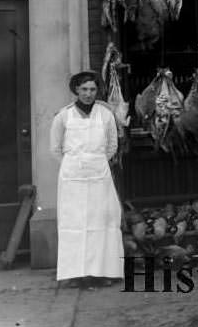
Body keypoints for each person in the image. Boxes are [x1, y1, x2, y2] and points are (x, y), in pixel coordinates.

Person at [49, 71, 124, 288]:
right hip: (72, 179)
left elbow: (112, 145)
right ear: (76, 91)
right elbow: (55, 148)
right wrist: (74, 164)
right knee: (74, 223)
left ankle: (103, 272)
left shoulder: (105, 115)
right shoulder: (63, 116)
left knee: (102, 222)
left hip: (99, 176)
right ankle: (76, 273)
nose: (88, 94)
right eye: (84, 89)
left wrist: (95, 162)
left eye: (92, 89)